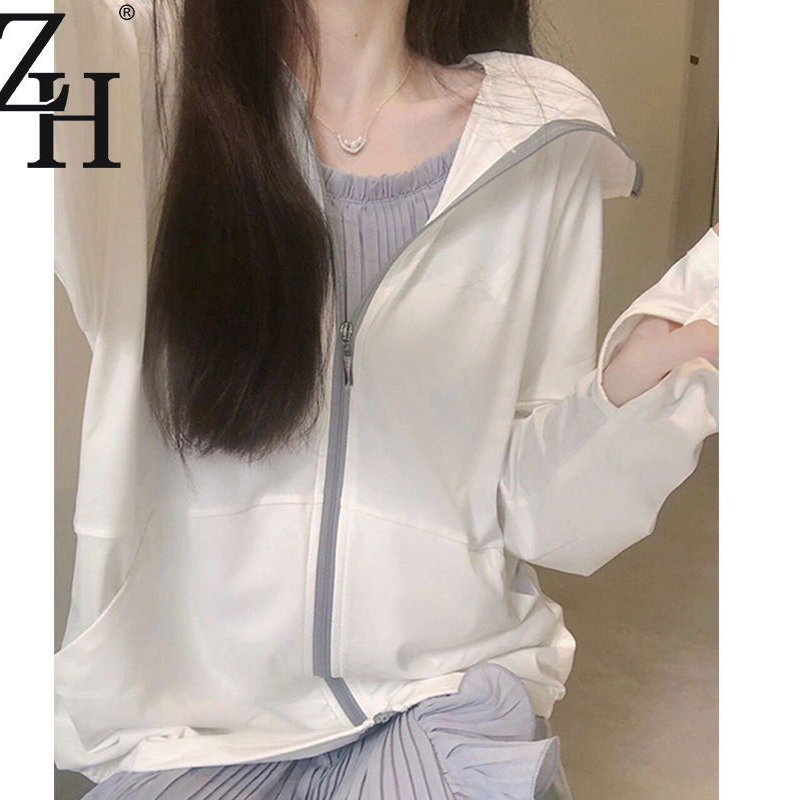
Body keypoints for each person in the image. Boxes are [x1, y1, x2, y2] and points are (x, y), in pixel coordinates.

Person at [54, 1, 719, 798]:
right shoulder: (135, 87)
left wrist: (629, 392)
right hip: (183, 725)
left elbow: (539, 515)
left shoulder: (539, 133)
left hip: (439, 695)